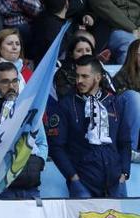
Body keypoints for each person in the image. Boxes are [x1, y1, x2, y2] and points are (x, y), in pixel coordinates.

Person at [48, 55, 131, 198]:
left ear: (98, 77)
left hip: (116, 183)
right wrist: (73, 177)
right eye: (77, 76)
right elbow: (56, 147)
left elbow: (125, 142)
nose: (79, 81)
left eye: (85, 76)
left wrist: (124, 173)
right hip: (83, 184)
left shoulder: (115, 103)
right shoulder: (66, 105)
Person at [0, 62, 48, 199]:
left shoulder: (30, 108)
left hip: (30, 186)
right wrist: (3, 166)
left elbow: (42, 143)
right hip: (1, 188)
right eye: (5, 82)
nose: (11, 87)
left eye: (15, 81)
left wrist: (39, 163)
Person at [53, 34, 95, 99]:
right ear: (71, 54)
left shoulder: (99, 69)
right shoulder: (62, 73)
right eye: (79, 51)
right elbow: (66, 99)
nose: (84, 54)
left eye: (88, 50)